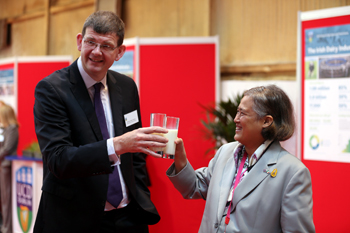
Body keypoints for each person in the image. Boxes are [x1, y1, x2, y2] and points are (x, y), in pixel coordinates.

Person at [33, 11, 168, 233]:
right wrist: (117, 145)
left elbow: (136, 154)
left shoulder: (126, 87)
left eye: (106, 46)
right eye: (91, 42)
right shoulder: (52, 89)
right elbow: (58, 159)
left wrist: (140, 195)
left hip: (127, 217)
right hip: (74, 218)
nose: (96, 52)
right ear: (79, 41)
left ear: (119, 52)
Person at [167, 85, 315, 233]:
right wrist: (180, 158)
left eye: (243, 113)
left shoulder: (293, 172)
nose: (235, 119)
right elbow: (195, 187)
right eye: (237, 111)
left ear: (266, 121)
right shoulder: (225, 152)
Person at [0, 104, 19, 233]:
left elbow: (6, 149)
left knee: (7, 198)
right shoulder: (4, 128)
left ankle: (7, 227)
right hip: (2, 166)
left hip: (6, 167)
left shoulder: (12, 128)